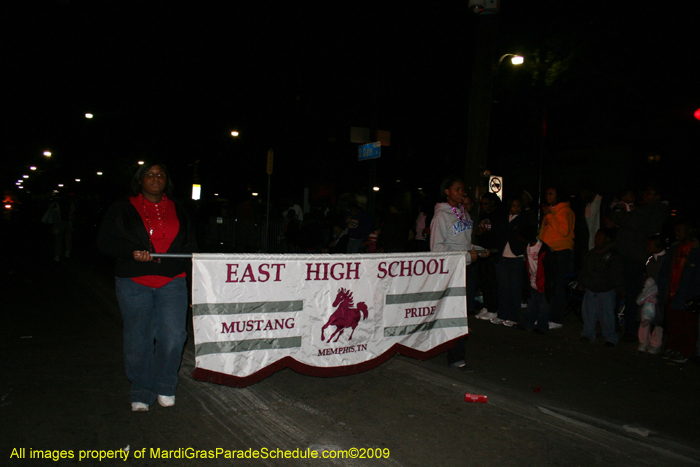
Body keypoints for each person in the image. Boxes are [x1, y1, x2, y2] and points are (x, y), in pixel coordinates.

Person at [97, 163, 197, 412]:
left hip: (173, 281)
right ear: (140, 180)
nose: (155, 178)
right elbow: (104, 242)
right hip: (134, 282)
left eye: (160, 174)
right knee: (138, 338)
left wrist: (196, 286)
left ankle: (165, 384)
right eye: (150, 174)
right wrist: (131, 253)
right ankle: (142, 389)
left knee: (173, 337)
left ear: (167, 181)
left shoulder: (180, 209)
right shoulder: (122, 208)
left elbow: (190, 248)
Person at [430, 177, 486, 370]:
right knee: (455, 313)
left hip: (466, 269)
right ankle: (455, 357)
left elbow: (463, 244)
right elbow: (436, 249)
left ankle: (450, 351)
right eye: (457, 189)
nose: (462, 192)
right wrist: (467, 256)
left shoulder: (464, 215)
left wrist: (478, 250)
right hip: (452, 271)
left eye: (463, 189)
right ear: (447, 192)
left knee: (463, 312)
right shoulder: (441, 216)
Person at [607, 186, 669, 341]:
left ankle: (631, 330)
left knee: (632, 294)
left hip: (636, 258)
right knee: (617, 290)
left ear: (658, 196)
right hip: (624, 255)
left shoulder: (657, 210)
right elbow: (616, 219)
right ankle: (612, 326)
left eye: (649, 193)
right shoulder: (642, 210)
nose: (645, 196)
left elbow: (630, 221)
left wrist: (622, 216)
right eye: (645, 192)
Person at [656, 219, 700, 363]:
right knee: (672, 322)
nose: (677, 234)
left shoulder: (696, 250)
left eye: (680, 231)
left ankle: (686, 351)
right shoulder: (674, 248)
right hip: (672, 291)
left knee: (687, 325)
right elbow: (665, 271)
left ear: (690, 231)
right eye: (676, 231)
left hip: (687, 294)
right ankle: (673, 348)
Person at [577, 228, 625, 347]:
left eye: (599, 238)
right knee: (588, 314)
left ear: (607, 239)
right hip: (591, 288)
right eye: (596, 238)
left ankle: (610, 337)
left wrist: (620, 290)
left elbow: (617, 275)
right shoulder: (592, 253)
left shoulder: (613, 255)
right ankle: (588, 334)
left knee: (606, 316)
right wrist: (582, 282)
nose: (596, 240)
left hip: (606, 290)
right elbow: (585, 269)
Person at [538, 186, 575, 329]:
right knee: (547, 285)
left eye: (551, 193)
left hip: (560, 251)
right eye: (547, 193)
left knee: (557, 286)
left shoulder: (565, 211)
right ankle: (545, 316)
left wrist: (549, 216)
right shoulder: (551, 211)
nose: (548, 196)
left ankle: (557, 319)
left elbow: (564, 231)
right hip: (548, 251)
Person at [493, 198, 528, 327]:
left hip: (516, 257)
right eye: (513, 205)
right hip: (502, 256)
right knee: (502, 287)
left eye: (518, 206)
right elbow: (498, 234)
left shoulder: (523, 219)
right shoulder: (503, 218)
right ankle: (502, 314)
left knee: (514, 288)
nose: (516, 208)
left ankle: (514, 317)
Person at [517, 224, 557, 334]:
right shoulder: (528, 247)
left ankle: (542, 327)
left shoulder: (543, 250)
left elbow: (550, 270)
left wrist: (548, 284)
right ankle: (527, 324)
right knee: (532, 305)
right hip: (533, 280)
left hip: (543, 282)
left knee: (544, 306)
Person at [474, 192, 506, 321]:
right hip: (482, 250)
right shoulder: (483, 214)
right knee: (484, 280)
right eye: (481, 204)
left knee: (492, 281)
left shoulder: (499, 215)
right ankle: (487, 306)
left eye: (486, 204)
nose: (483, 206)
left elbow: (500, 235)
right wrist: (479, 232)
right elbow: (478, 233)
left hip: (493, 251)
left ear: (492, 203)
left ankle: (494, 308)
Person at [637, 235, 667, 354]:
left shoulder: (665, 260)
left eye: (651, 246)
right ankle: (643, 341)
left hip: (659, 294)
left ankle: (655, 343)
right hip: (648, 293)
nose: (648, 248)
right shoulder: (650, 259)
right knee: (645, 317)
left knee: (658, 320)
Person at [42, 193, 75, 262]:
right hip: (67, 223)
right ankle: (66, 252)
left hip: (61, 223)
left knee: (59, 239)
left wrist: (55, 226)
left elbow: (55, 217)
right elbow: (72, 214)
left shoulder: (56, 204)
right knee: (67, 238)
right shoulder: (70, 204)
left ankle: (59, 255)